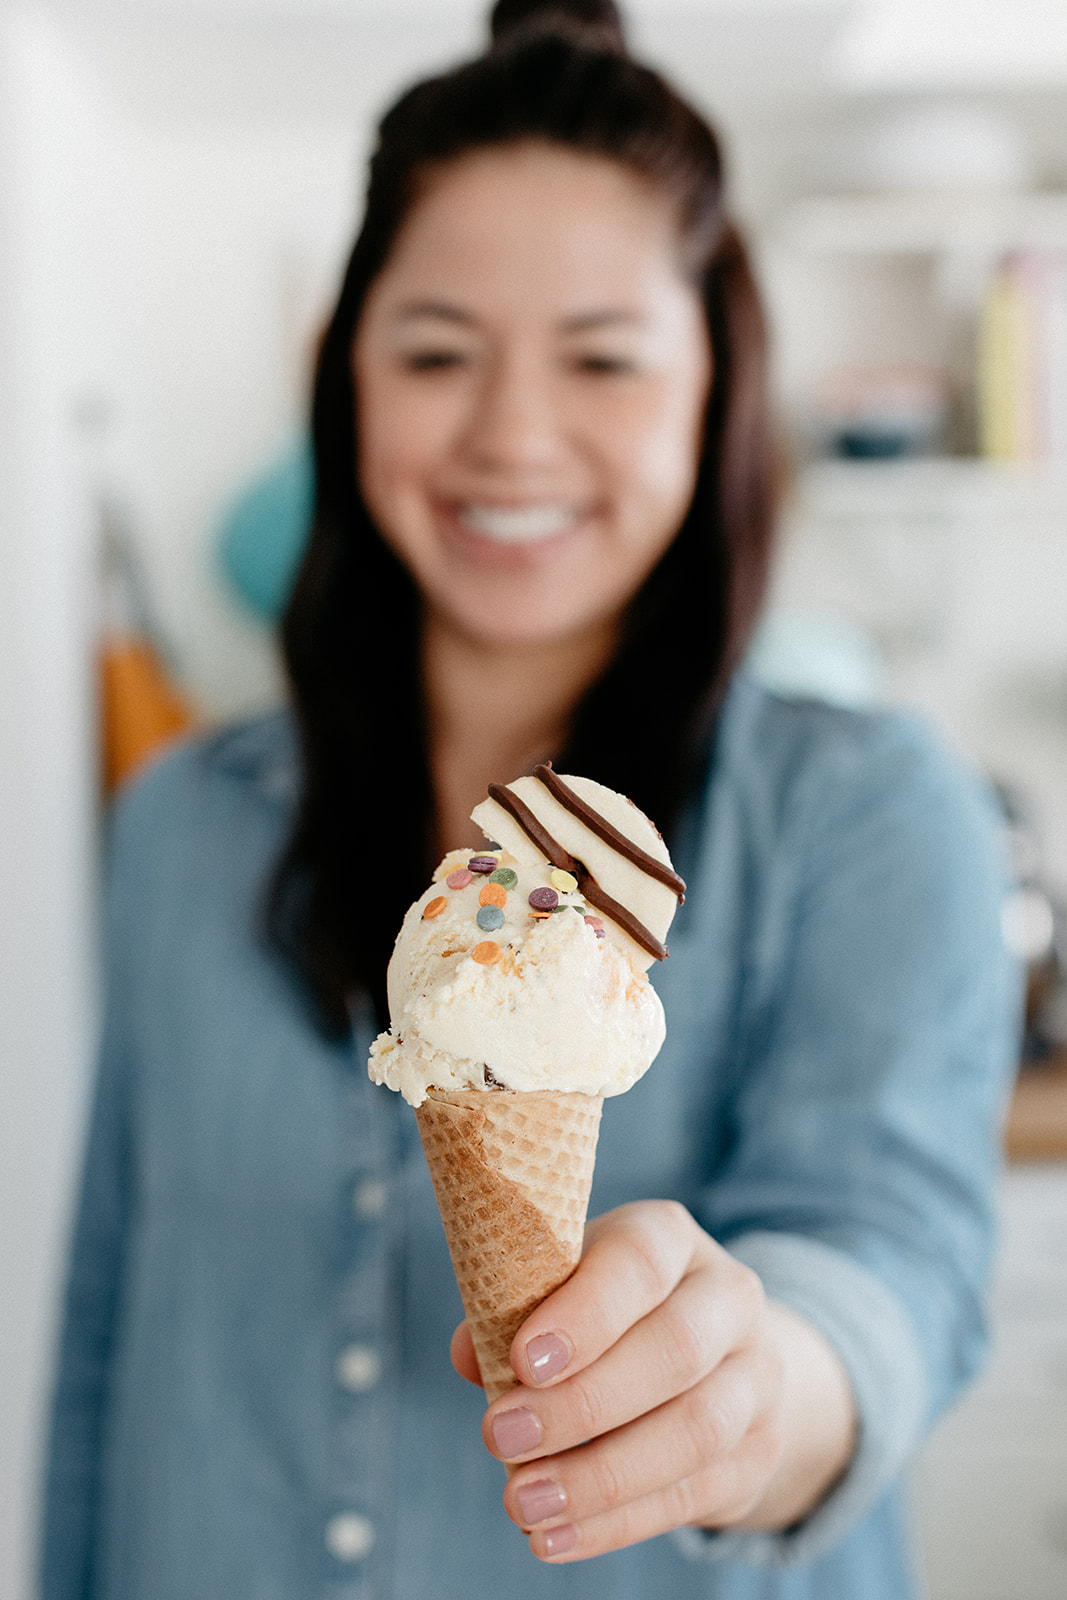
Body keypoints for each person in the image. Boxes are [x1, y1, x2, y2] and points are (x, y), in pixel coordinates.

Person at [41, 3, 1019, 1597]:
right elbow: (109, 1330)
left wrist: (755, 1388)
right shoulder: (175, 826)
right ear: (345, 376)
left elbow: (890, 1261)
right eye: (436, 350)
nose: (510, 432)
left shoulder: (871, 812)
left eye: (603, 357)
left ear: (714, 389)